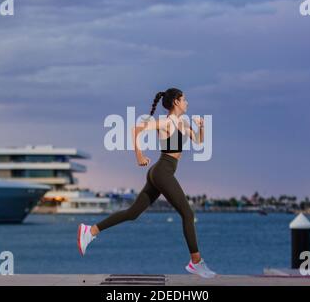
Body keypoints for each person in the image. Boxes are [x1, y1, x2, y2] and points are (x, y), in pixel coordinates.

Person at [77, 88, 216, 278]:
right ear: (176, 102)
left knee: (132, 213)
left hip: (160, 172)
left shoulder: (182, 123)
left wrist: (201, 126)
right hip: (162, 172)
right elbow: (136, 130)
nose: (187, 103)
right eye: (184, 99)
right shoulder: (166, 122)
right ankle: (196, 262)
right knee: (188, 213)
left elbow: (199, 141)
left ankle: (90, 231)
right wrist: (139, 155)